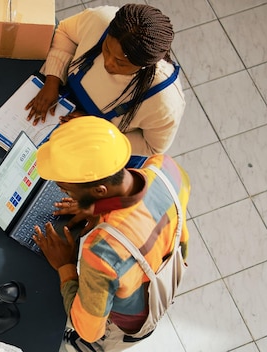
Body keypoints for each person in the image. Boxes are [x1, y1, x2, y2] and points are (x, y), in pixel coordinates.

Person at [31, 117, 190, 351]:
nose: (64, 193)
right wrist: (97, 208)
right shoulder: (167, 168)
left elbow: (89, 330)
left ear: (99, 190)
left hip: (127, 323)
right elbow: (147, 210)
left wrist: (64, 266)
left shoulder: (101, 252)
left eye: (66, 189)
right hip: (165, 270)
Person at [26, 4, 185, 167]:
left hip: (104, 145)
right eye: (107, 49)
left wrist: (98, 131)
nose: (108, 63)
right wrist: (53, 80)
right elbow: (66, 32)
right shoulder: (100, 21)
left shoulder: (164, 102)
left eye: (121, 63)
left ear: (143, 65)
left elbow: (152, 147)